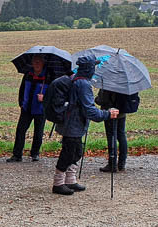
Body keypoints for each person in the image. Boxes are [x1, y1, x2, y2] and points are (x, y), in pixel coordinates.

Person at [50, 56, 119, 196]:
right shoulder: (83, 84)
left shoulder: (78, 80)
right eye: (93, 66)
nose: (95, 69)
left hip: (73, 123)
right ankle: (58, 184)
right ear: (89, 68)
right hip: (73, 125)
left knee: (75, 152)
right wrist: (107, 114)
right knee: (70, 153)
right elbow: (89, 110)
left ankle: (70, 180)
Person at [7, 56, 51, 162]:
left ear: (43, 63)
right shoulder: (28, 74)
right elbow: (22, 89)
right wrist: (21, 103)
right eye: (34, 61)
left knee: (38, 132)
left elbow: (53, 93)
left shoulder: (48, 76)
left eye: (38, 61)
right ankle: (17, 155)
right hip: (27, 108)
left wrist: (44, 98)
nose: (36, 64)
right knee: (20, 131)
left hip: (40, 109)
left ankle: (35, 153)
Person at [95, 89, 128, 172]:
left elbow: (101, 100)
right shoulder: (123, 81)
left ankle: (112, 164)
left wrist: (96, 99)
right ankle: (122, 164)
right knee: (121, 136)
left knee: (111, 137)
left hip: (110, 113)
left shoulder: (108, 83)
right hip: (122, 112)